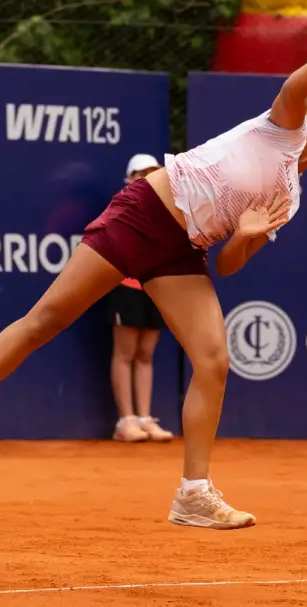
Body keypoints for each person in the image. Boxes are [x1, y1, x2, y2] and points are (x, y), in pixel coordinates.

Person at [0, 33, 307, 530]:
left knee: (213, 360)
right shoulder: (283, 129)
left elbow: (229, 266)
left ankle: (193, 494)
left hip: (184, 250)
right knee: (45, 320)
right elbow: (297, 85)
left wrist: (246, 236)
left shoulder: (290, 196)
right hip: (144, 214)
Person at [108, 153, 174, 443]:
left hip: (155, 287)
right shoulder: (121, 206)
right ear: (130, 178)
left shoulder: (165, 208)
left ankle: (145, 418)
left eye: (153, 172)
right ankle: (126, 420)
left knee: (146, 353)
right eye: (141, 174)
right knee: (125, 353)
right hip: (126, 286)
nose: (147, 178)